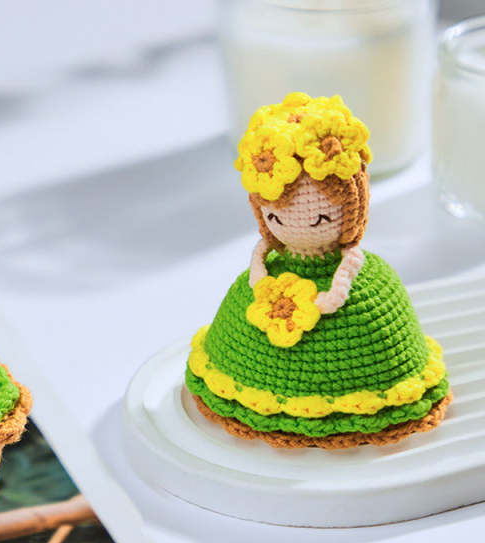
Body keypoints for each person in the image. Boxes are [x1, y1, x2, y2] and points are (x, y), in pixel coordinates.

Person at [185, 93, 451, 448]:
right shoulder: (259, 278)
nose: (300, 222)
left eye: (321, 217)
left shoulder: (368, 288)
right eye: (275, 216)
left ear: (354, 206)